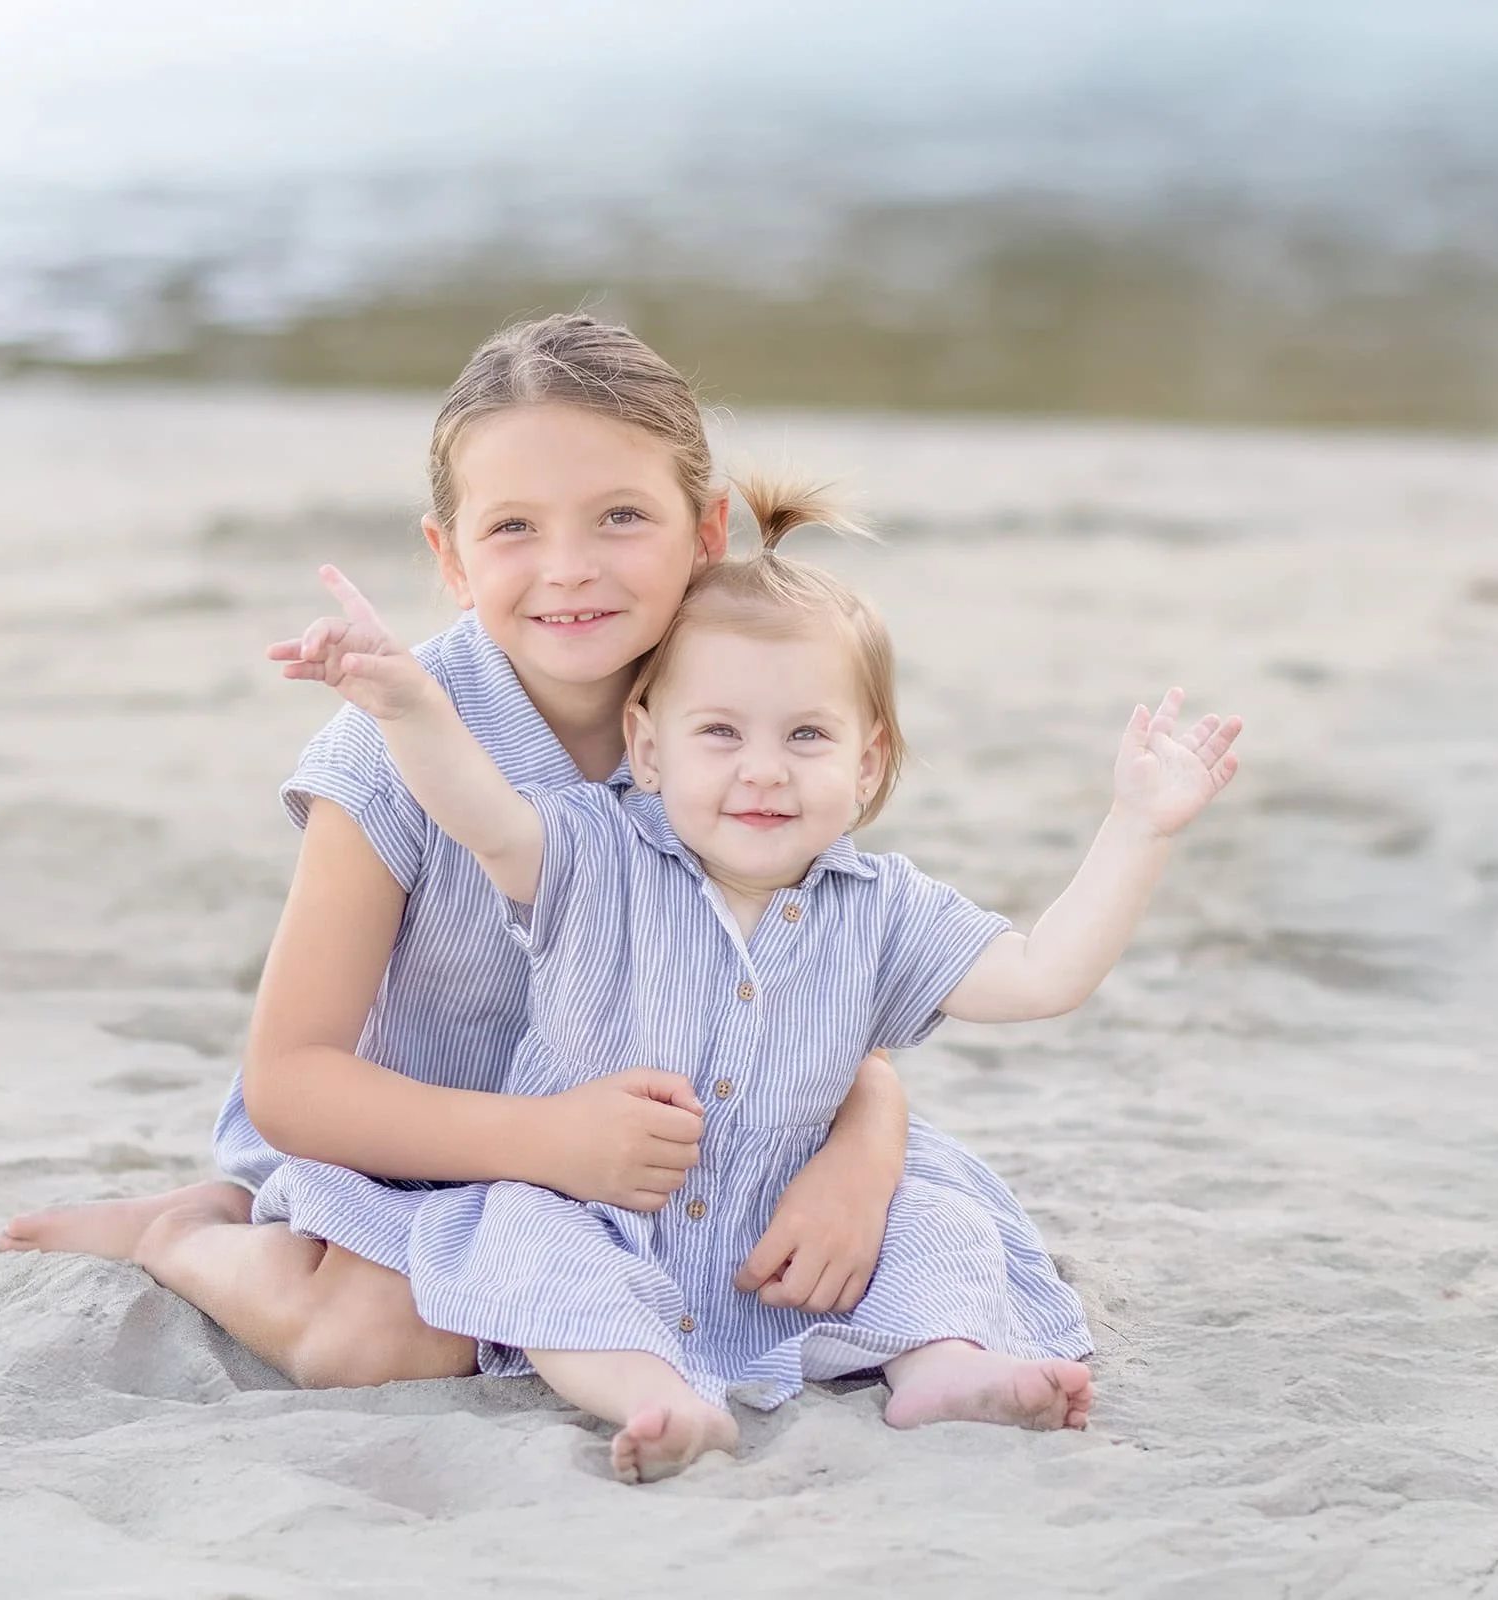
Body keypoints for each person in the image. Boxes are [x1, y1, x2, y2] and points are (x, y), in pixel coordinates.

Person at [0, 314, 1089, 1396]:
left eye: (621, 516)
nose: (569, 569)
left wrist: (865, 1146)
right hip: (428, 1139)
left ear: (706, 532)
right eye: (514, 527)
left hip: (675, 1165)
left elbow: (815, 961)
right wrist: (549, 1140)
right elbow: (290, 1081)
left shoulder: (736, 709)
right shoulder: (392, 749)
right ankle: (191, 1231)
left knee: (888, 1270)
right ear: (451, 556)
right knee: (381, 1341)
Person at [271, 496, 1238, 1480]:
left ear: (868, 766)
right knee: (522, 1240)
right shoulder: (594, 857)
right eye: (721, 733)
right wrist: (405, 703)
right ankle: (654, 1392)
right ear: (649, 750)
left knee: (942, 1220)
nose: (764, 771)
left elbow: (1045, 974)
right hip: (605, 1212)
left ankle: (941, 1365)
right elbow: (481, 812)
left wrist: (1137, 829)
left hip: (793, 1242)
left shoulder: (885, 907)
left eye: (808, 736)